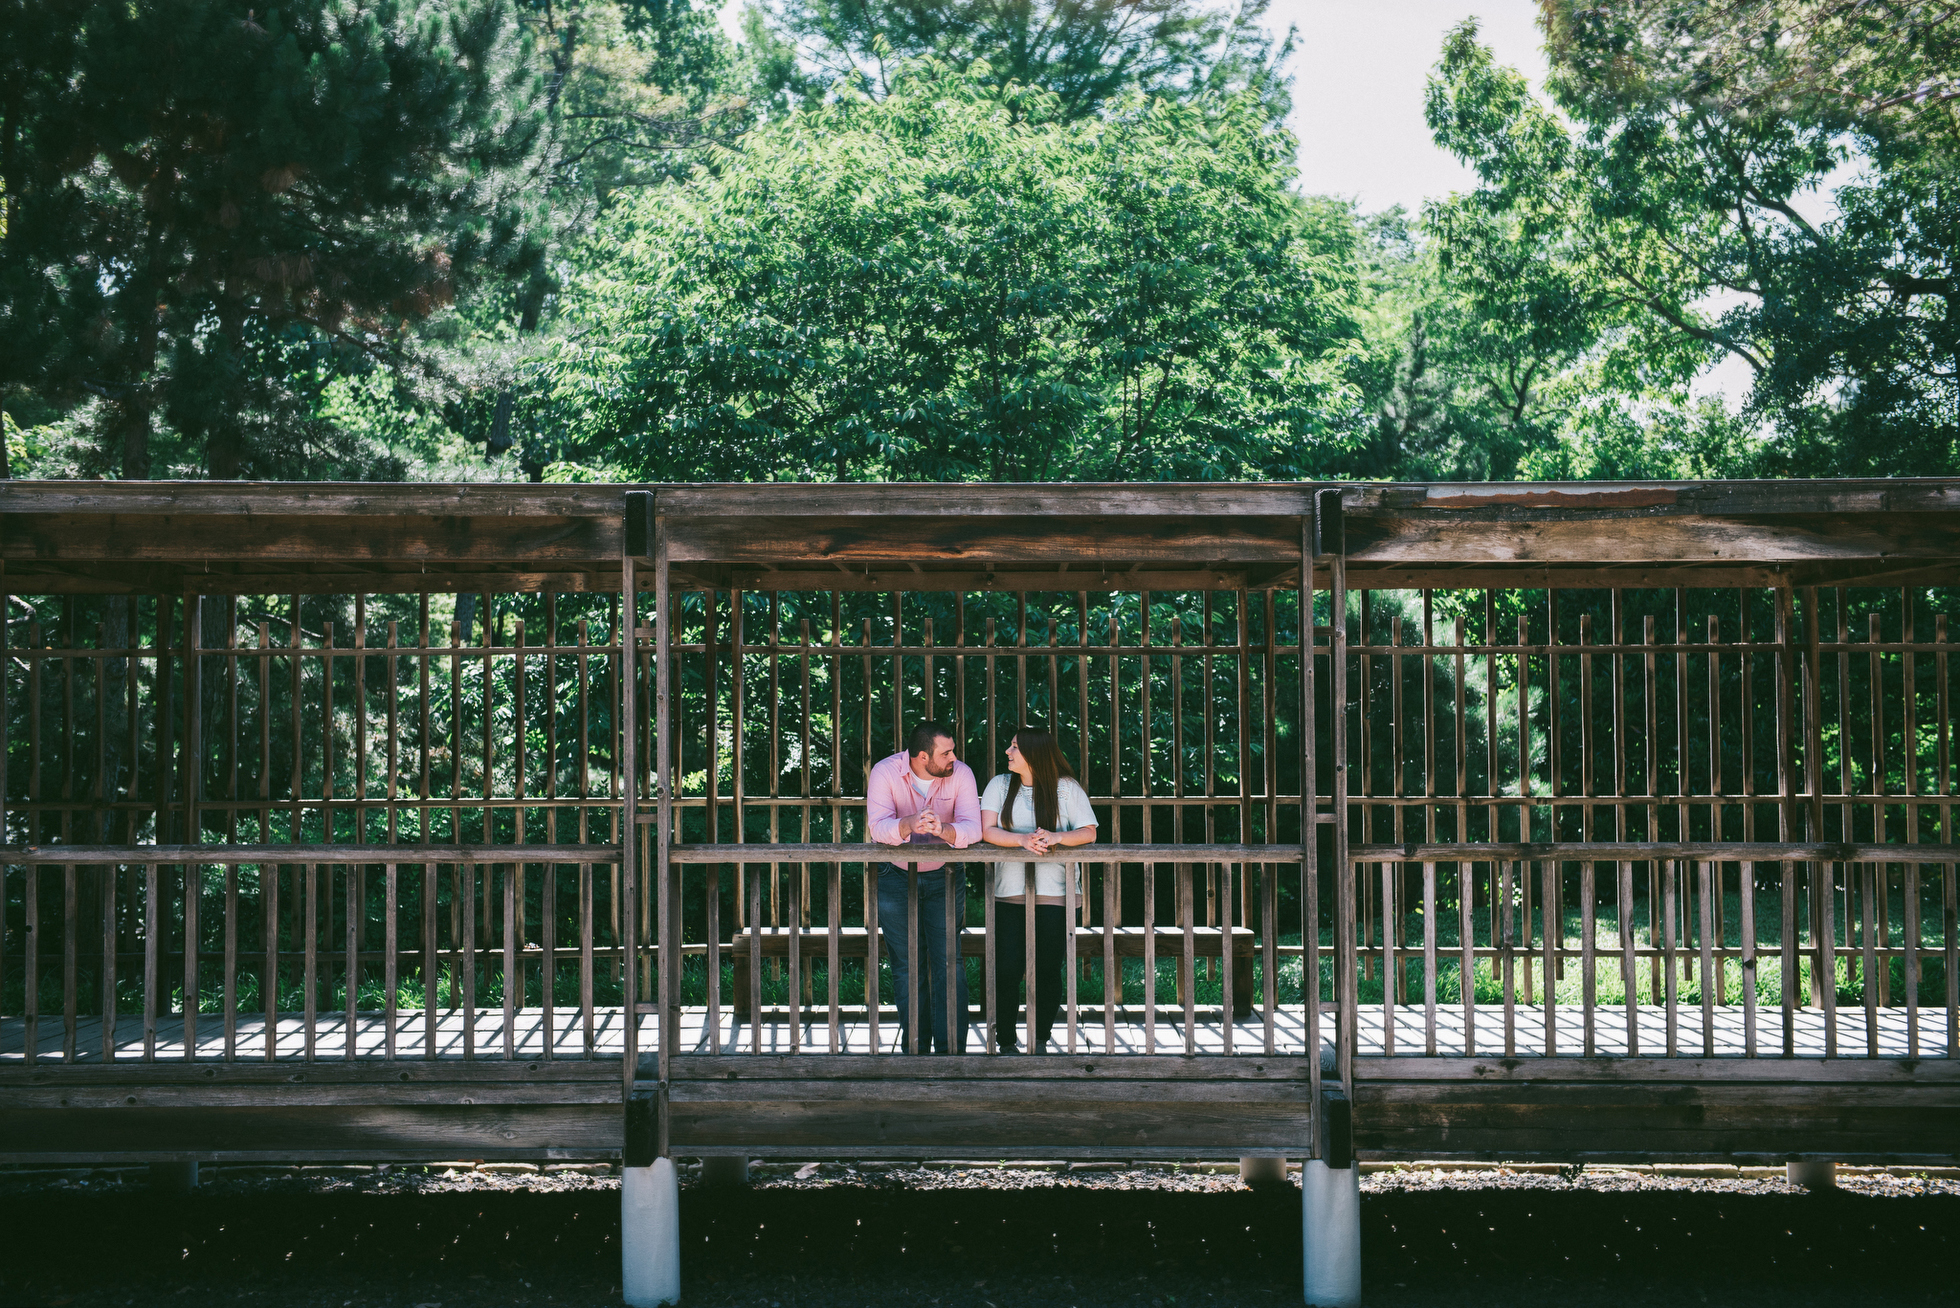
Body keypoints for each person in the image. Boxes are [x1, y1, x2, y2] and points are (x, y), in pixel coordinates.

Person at [865, 720, 982, 1054]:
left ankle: (952, 1051)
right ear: (920, 757)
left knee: (949, 963)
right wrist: (910, 824)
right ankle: (915, 1047)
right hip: (895, 876)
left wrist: (943, 830)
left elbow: (974, 828)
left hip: (945, 875)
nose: (953, 758)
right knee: (905, 965)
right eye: (946, 753)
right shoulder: (885, 773)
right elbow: (877, 828)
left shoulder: (960, 773)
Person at [980, 726, 1099, 1053]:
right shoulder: (999, 785)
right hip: (1009, 891)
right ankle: (1005, 1041)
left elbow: (1089, 831)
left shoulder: (1066, 789)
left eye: (1015, 747)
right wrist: (1021, 840)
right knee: (1006, 968)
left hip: (1056, 894)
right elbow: (986, 830)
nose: (1008, 751)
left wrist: (1059, 837)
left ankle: (1040, 1038)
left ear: (1033, 753)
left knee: (1047, 968)